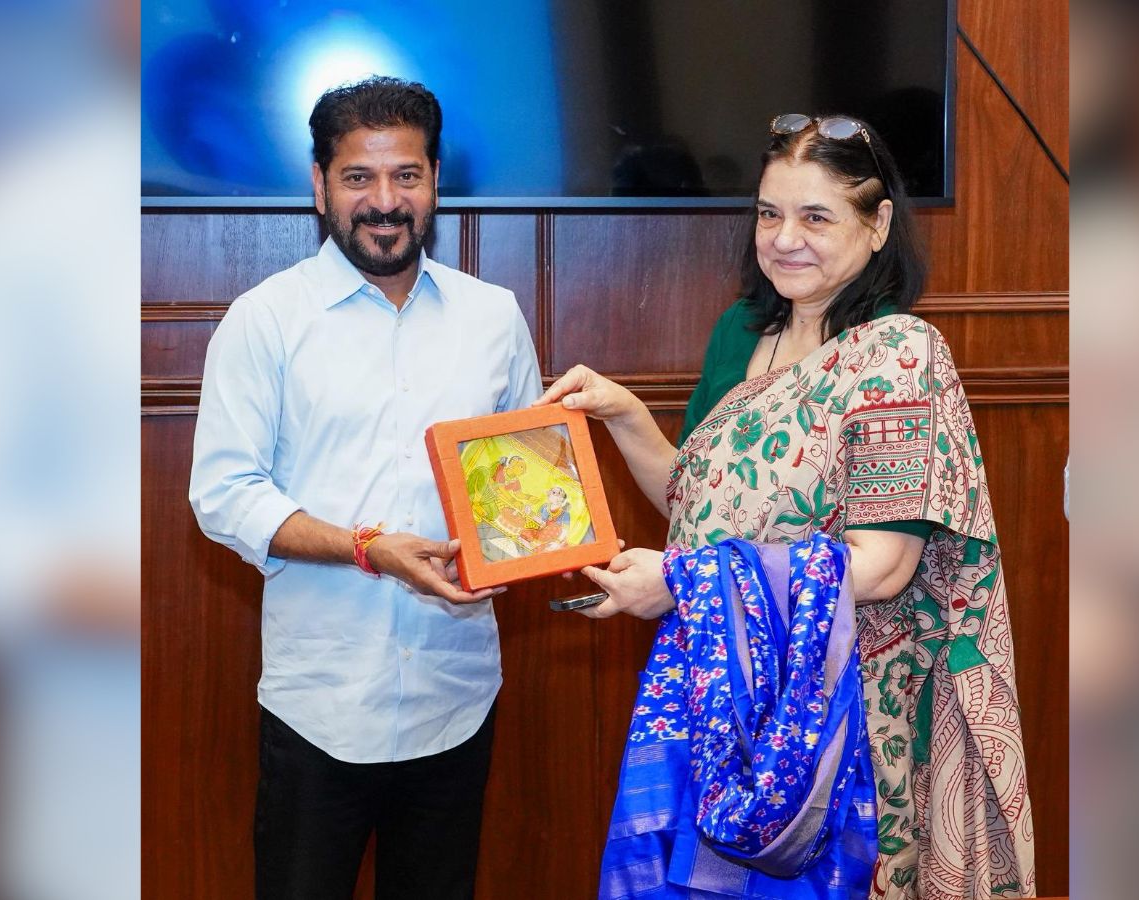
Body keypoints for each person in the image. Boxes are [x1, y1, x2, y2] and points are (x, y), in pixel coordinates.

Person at [536, 114, 1035, 898]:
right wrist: (625, 413)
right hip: (727, 691)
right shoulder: (742, 332)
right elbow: (694, 502)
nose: (783, 238)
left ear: (877, 227)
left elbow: (883, 567)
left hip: (840, 718)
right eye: (769, 213)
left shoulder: (897, 354)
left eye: (816, 216)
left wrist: (681, 583)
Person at [189, 76, 542, 900]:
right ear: (319, 186)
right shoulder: (264, 319)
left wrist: (557, 557)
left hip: (457, 700)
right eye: (359, 177)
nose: (385, 202)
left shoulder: (494, 318)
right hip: (321, 708)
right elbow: (225, 494)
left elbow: (524, 486)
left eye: (406, 176)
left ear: (435, 182)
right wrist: (366, 548)